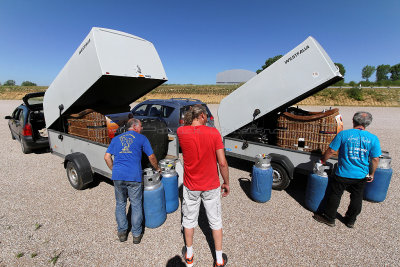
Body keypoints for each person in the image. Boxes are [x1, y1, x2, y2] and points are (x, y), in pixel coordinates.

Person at [177, 105, 230, 267]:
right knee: (215, 221)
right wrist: (226, 182)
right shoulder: (213, 133)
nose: (207, 119)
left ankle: (190, 257)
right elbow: (222, 162)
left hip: (191, 186)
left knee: (188, 220)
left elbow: (188, 129)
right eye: (206, 116)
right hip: (211, 185)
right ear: (200, 115)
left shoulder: (181, 132)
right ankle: (219, 260)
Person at [313, 111, 381, 228]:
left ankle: (329, 218)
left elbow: (331, 151)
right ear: (367, 124)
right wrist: (372, 173)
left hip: (343, 173)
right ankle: (350, 220)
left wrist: (323, 160)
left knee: (335, 195)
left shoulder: (344, 134)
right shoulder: (373, 139)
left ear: (353, 121)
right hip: (361, 175)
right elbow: (375, 159)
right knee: (357, 197)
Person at [104, 118, 160, 244]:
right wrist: (157, 168)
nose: (142, 129)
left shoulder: (116, 139)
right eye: (140, 126)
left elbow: (106, 157)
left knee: (120, 204)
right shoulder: (142, 138)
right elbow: (151, 156)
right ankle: (136, 235)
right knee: (135, 204)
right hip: (134, 176)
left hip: (118, 176)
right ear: (135, 127)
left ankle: (122, 233)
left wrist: (114, 169)